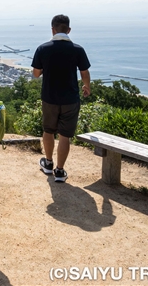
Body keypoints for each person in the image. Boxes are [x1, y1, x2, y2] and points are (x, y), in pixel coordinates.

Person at [32, 14, 91, 182]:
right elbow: (85, 72)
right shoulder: (77, 49)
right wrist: (86, 86)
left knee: (48, 130)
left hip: (49, 97)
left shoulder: (43, 49)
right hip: (71, 98)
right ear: (69, 30)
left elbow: (36, 74)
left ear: (52, 29)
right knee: (65, 135)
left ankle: (48, 163)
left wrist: (45, 68)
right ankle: (60, 171)